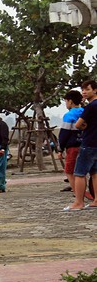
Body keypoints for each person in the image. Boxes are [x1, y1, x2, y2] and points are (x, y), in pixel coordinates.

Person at [66, 80, 97, 211]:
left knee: (79, 173)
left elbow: (78, 124)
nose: (84, 92)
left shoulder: (90, 107)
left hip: (89, 142)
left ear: (95, 90)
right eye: (83, 89)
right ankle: (96, 200)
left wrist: (85, 126)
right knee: (95, 173)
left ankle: (78, 202)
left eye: (87, 89)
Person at [56, 90, 84, 195]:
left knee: (69, 171)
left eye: (66, 101)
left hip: (73, 147)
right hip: (85, 145)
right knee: (82, 171)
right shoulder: (85, 112)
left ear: (70, 101)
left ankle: (77, 193)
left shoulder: (69, 115)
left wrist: (60, 149)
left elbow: (64, 134)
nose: (66, 104)